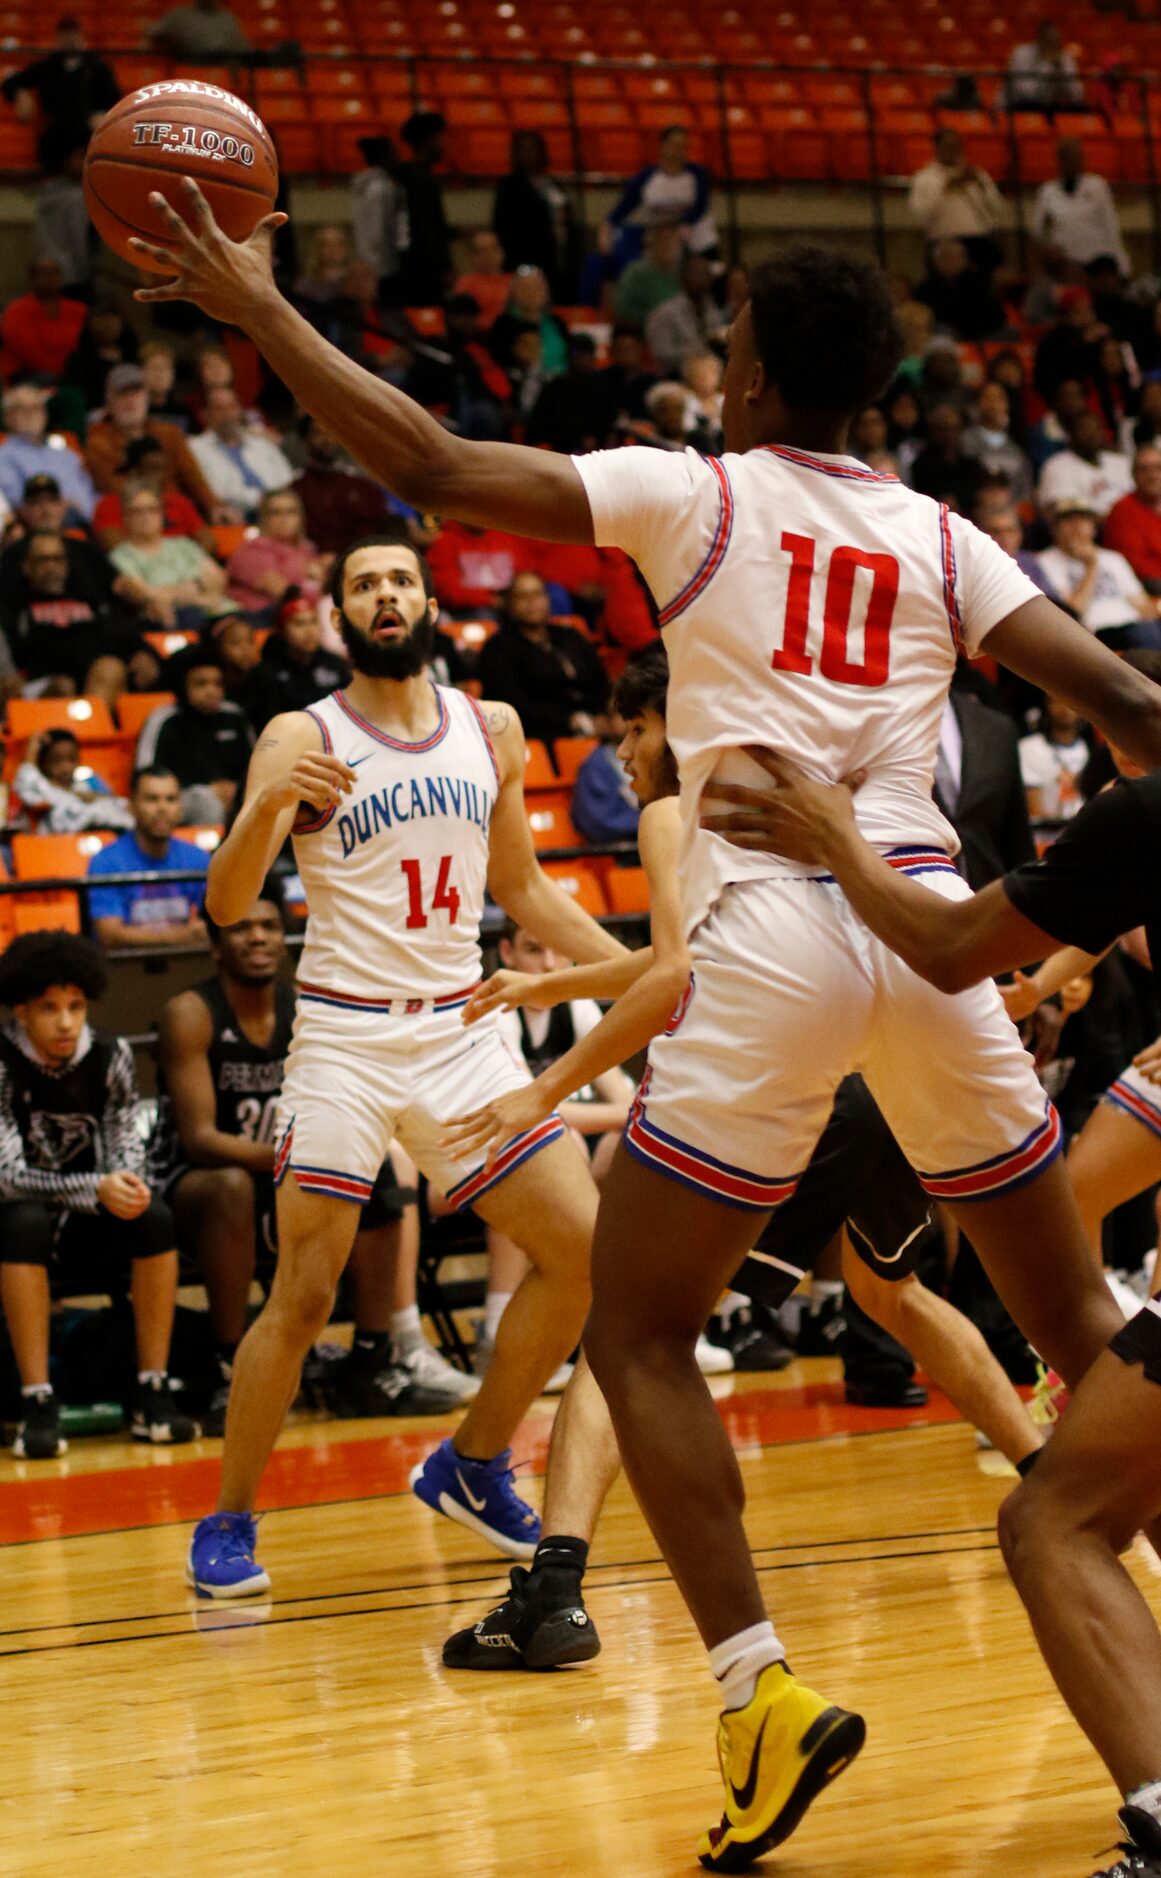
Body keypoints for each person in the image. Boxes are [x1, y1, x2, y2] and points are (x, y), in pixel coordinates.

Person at [131, 199, 1161, 1872]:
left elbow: (437, 462)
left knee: (638, 1325)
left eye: (732, 333)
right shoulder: (948, 538)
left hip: (769, 926)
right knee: (1073, 1323)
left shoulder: (701, 486)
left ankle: (755, 1690)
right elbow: (1130, 713)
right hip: (933, 927)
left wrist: (258, 305)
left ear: (747, 365)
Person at [441, 642, 1044, 1669]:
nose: (620, 751)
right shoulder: (801, 785)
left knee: (630, 1329)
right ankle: (1050, 1472)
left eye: (631, 729)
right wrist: (548, 988)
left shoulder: (676, 808)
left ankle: (554, 1587)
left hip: (802, 1089)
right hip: (887, 1063)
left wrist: (543, 1084)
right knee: (890, 1291)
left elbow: (678, 978)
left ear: (677, 724)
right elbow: (694, 949)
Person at [137, 525, 626, 1603]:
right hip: (347, 1039)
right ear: (338, 614)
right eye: (365, 584)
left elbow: (527, 892)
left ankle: (474, 1460)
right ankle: (227, 1519)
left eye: (403, 578)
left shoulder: (488, 725)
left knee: (585, 1254)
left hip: (460, 1032)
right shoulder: (295, 735)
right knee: (305, 1294)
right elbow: (227, 906)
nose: (387, 595)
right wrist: (268, 809)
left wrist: (642, 963)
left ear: (431, 603)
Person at [701, 745, 1161, 1877]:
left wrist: (836, 842)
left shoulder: (1144, 812)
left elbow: (954, 948)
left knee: (1049, 1520)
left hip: (886, 1022)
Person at [150, 880, 475, 1435]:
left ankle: (371, 1360)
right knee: (229, 1185)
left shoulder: (304, 1004)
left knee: (371, 1165)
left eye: (270, 926)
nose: (258, 937)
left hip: (284, 1169)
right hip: (199, 1184)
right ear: (215, 945)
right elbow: (201, 1138)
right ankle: (231, 1365)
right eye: (243, 926)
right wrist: (299, 1159)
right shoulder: (191, 1012)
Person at [0, 932, 196, 1460]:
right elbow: (7, 1176)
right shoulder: (1, 1062)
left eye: (76, 1007)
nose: (66, 1022)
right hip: (21, 1217)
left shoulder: (111, 1055)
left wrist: (127, 1185)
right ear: (21, 1011)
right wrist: (96, 1189)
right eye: (49, 1009)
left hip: (91, 1215)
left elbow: (125, 1146)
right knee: (22, 1222)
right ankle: (37, 1399)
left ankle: (151, 1388)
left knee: (153, 1217)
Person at [0, 527, 139, 698]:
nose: (51, 566)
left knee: (111, 667)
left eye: (57, 559)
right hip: (40, 682)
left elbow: (119, 636)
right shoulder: (13, 604)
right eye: (42, 560)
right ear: (27, 566)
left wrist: (142, 652)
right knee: (64, 685)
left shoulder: (90, 599)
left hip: (93, 678)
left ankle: (91, 722)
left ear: (66, 564)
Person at [476, 570, 610, 741]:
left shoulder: (570, 636)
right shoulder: (497, 648)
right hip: (538, 735)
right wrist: (568, 721)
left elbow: (599, 680)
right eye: (523, 596)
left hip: (593, 723)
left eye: (537, 594)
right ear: (509, 604)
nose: (532, 601)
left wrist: (602, 715)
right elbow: (511, 705)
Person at [86, 764, 210, 949]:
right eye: (151, 799)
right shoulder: (105, 863)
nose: (162, 808)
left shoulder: (198, 859)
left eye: (171, 799)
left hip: (185, 966)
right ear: (132, 806)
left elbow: (216, 926)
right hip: (126, 970)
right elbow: (110, 936)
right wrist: (183, 936)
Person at [134, 651, 253, 823]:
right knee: (206, 801)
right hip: (177, 798)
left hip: (233, 795)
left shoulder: (235, 716)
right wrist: (210, 790)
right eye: (201, 684)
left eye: (217, 684)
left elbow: (256, 767)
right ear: (183, 687)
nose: (211, 691)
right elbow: (146, 776)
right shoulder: (164, 720)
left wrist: (237, 789)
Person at [84, 364, 214, 515]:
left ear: (147, 397)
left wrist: (214, 507)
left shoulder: (170, 434)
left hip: (178, 513)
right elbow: (114, 488)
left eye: (136, 392)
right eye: (122, 394)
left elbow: (192, 476)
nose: (130, 400)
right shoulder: (98, 444)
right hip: (132, 517)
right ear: (109, 402)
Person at [1035, 501, 1161, 649]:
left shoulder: (1113, 558)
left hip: (1136, 627)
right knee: (1144, 633)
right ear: (1054, 529)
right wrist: (1091, 565)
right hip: (1093, 633)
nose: (1076, 527)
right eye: (1068, 521)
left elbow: (1142, 605)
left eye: (1083, 520)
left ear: (1093, 528)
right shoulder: (1044, 561)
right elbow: (1073, 612)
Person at [107, 478, 228, 628]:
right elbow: (144, 593)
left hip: (214, 611)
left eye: (152, 509)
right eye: (137, 511)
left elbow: (216, 581)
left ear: (161, 513)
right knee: (191, 615)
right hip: (169, 618)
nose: (146, 517)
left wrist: (171, 593)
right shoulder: (120, 556)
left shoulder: (184, 545)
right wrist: (192, 591)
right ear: (126, 517)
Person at [606, 126, 717, 261]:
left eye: (683, 146)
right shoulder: (647, 176)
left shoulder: (697, 174)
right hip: (659, 240)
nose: (678, 150)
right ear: (663, 145)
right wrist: (608, 224)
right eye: (674, 144)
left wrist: (681, 226)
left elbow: (700, 207)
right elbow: (626, 204)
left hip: (694, 236)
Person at [243, 588, 347, 729]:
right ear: (283, 630)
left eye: (313, 621)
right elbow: (267, 724)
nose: (309, 631)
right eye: (299, 623)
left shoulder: (334, 664)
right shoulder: (266, 673)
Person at [189, 387, 295, 522]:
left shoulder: (261, 443)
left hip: (278, 511)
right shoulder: (195, 448)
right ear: (205, 414)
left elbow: (287, 479)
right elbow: (214, 492)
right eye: (219, 408)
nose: (227, 414)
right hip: (235, 516)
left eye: (231, 407)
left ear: (240, 410)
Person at [291, 418, 393, 556]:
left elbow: (382, 525)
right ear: (305, 440)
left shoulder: (363, 485)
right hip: (314, 564)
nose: (327, 440)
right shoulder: (296, 488)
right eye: (318, 433)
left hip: (366, 557)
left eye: (331, 433)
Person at [1, 16, 117, 134]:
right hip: (55, 134)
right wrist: (20, 93)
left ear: (81, 37)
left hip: (87, 131)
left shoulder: (98, 66)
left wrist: (103, 114)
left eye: (72, 35)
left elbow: (115, 99)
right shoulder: (47, 66)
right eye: (65, 36)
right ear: (58, 38)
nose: (69, 40)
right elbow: (10, 83)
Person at [1032, 139, 1131, 277]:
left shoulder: (1098, 186)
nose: (1071, 162)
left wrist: (1121, 264)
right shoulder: (1048, 191)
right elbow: (1037, 232)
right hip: (1064, 267)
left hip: (1096, 264)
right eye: (1066, 157)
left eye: (1075, 157)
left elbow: (1110, 225)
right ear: (1059, 160)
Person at [492, 130, 573, 297]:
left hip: (557, 261)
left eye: (533, 149)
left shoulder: (554, 185)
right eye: (524, 150)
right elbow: (502, 227)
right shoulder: (509, 187)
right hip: (524, 261)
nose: (529, 155)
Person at [907, 128, 1004, 265]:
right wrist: (947, 189)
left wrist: (981, 186)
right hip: (944, 241)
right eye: (948, 146)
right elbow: (921, 215)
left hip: (979, 240)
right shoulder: (924, 178)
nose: (954, 150)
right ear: (937, 147)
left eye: (957, 146)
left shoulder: (976, 174)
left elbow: (996, 206)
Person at [225, 487, 326, 617]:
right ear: (264, 518)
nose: (284, 519)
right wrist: (315, 584)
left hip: (305, 618)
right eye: (276, 513)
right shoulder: (252, 549)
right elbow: (285, 592)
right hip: (262, 617)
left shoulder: (307, 550)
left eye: (291, 512)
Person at [0, 381, 95, 519]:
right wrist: (61, 506)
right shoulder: (4, 455)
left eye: (36, 408)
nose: (30, 415)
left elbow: (90, 495)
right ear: (8, 417)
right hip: (40, 527)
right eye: (22, 409)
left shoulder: (66, 454)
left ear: (45, 414)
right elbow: (18, 501)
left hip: (86, 524)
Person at [14, 726, 134, 832]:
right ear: (43, 763)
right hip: (63, 843)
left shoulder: (88, 782)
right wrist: (31, 752)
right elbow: (26, 781)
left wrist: (90, 796)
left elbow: (117, 802)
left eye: (71, 759)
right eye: (56, 761)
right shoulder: (43, 788)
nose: (65, 767)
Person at [0, 255, 86, 381]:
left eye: (54, 273)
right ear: (32, 278)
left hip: (71, 373)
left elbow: (83, 345)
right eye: (44, 273)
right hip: (25, 374)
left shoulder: (79, 310)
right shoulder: (16, 310)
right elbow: (27, 351)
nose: (50, 278)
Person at [1038, 408, 1133, 519]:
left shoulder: (1121, 462)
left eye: (1096, 428)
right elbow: (1066, 515)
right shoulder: (1056, 466)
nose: (1092, 434)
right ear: (1070, 434)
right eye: (1085, 429)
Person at [398, 111, 451, 305]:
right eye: (440, 137)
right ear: (427, 140)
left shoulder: (413, 176)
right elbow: (426, 228)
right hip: (423, 272)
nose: (444, 143)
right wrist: (443, 266)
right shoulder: (419, 179)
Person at [644, 251, 723, 377]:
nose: (702, 278)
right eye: (697, 273)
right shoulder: (664, 313)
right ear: (683, 277)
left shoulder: (712, 309)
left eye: (705, 273)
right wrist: (698, 352)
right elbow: (662, 355)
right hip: (674, 378)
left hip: (709, 377)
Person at [351, 136, 409, 308]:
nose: (398, 158)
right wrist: (377, 267)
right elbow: (377, 231)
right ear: (384, 157)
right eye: (394, 153)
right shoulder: (380, 189)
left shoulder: (364, 184)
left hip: (371, 261)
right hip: (382, 266)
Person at [1018, 694, 1090, 820]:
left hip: (1082, 828)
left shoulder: (1088, 750)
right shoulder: (1029, 747)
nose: (1065, 708)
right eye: (1059, 701)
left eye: (1072, 703)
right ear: (1048, 705)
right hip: (1044, 831)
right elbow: (1030, 804)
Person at [1103, 445, 1161, 592]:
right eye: (1144, 469)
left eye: (1158, 468)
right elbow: (1135, 566)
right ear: (1133, 475)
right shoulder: (1122, 510)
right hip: (1146, 589)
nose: (1152, 475)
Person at [613, 220, 685, 327]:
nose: (669, 246)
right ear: (651, 244)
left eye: (674, 242)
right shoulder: (635, 274)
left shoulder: (684, 272)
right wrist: (657, 319)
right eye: (664, 242)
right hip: (645, 332)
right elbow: (623, 312)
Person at [1004, 20, 1084, 113]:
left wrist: (1059, 68)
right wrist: (1047, 65)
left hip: (1056, 107)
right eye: (1048, 39)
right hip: (1024, 106)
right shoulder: (1022, 53)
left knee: (1080, 110)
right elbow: (1027, 93)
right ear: (1039, 38)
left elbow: (1077, 94)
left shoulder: (1065, 57)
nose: (1052, 43)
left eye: (1055, 40)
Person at [453, 229, 512, 331]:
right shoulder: (465, 284)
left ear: (501, 251)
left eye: (493, 248)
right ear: (474, 256)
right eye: (483, 251)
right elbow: (462, 321)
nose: (489, 255)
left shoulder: (515, 281)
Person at [148, 0, 250, 58]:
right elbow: (154, 33)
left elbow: (242, 47)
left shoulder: (227, 17)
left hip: (225, 64)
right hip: (191, 64)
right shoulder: (180, 14)